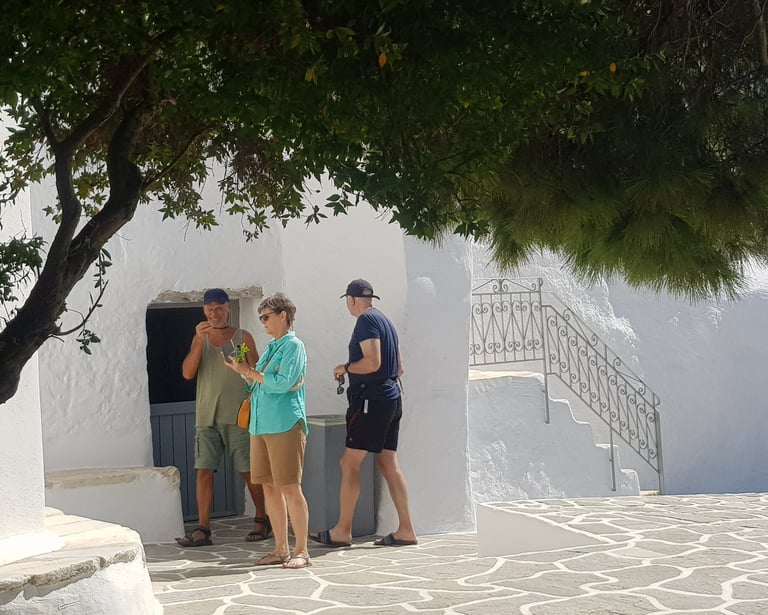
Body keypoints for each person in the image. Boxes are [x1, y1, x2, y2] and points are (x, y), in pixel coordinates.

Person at [310, 279, 417, 548]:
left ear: (351, 299)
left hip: (371, 400)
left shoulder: (366, 321)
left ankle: (342, 531)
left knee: (349, 463)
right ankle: (406, 529)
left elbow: (373, 362)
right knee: (388, 463)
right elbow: (399, 368)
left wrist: (345, 368)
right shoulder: (385, 321)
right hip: (392, 397)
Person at [176, 288, 270, 547]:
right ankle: (203, 528)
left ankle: (262, 518)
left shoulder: (242, 337)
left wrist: (243, 363)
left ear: (228, 308)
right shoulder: (200, 338)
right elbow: (187, 373)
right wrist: (198, 342)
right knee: (203, 471)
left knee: (248, 471)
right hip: (206, 416)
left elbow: (257, 372)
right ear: (204, 310)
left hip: (239, 415)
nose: (214, 313)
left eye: (219, 308)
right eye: (209, 309)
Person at [224, 292, 312, 569]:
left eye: (266, 317)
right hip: (261, 425)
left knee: (290, 488)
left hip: (284, 424)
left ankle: (302, 551)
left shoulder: (293, 346)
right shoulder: (273, 347)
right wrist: (243, 370)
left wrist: (251, 373)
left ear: (283, 315)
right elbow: (257, 383)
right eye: (260, 318)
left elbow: (282, 383)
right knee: (270, 488)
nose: (262, 322)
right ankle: (280, 549)